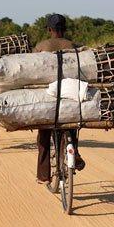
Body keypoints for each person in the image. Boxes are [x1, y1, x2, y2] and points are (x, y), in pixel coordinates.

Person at [34, 14, 85, 184]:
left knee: (44, 134)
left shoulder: (41, 46)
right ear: (65, 29)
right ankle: (74, 152)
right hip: (69, 96)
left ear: (49, 29)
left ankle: (43, 176)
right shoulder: (75, 47)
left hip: (50, 97)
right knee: (71, 126)